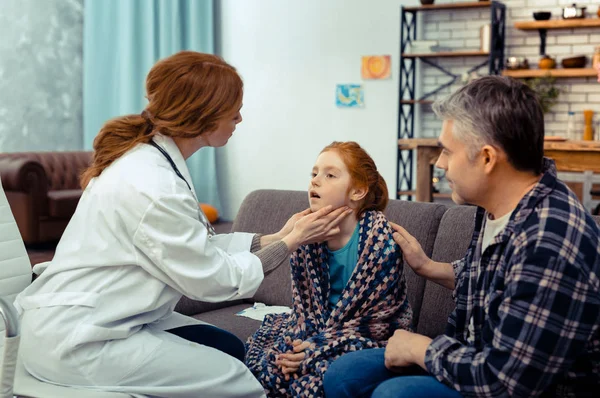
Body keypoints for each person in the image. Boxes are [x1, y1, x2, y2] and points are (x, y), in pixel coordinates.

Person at [14, 51, 352, 398]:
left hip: (102, 316)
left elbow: (190, 245)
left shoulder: (152, 160)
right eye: (232, 108)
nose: (239, 116)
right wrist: (291, 242)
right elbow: (212, 280)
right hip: (80, 340)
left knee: (227, 346)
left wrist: (274, 238)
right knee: (238, 381)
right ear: (203, 116)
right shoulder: (152, 186)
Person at [324, 76, 600, 397]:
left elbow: (505, 382)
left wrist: (422, 350)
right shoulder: (496, 205)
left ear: (486, 158)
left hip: (513, 386)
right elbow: (490, 279)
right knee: (344, 374)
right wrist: (426, 266)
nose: (439, 163)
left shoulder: (550, 242)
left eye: (447, 151)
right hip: (471, 357)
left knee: (394, 395)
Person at [245, 141, 413, 397]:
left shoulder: (381, 241)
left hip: (370, 334)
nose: (315, 181)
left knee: (316, 378)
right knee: (275, 367)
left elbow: (379, 322)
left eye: (329, 175)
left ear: (357, 191)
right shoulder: (305, 236)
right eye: (314, 174)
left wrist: (315, 348)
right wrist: (298, 346)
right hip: (318, 330)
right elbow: (304, 308)